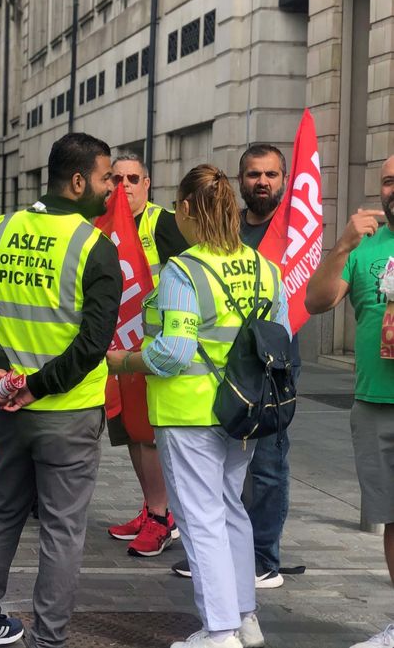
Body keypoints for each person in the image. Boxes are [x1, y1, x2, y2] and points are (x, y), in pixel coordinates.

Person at [108, 164, 290, 648]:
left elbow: (173, 352)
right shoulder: (265, 268)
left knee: (200, 518)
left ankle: (219, 630)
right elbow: (281, 337)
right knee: (231, 510)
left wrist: (124, 361)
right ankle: (245, 619)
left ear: (187, 208)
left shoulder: (183, 270)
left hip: (189, 413)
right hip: (245, 411)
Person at [0, 132, 122, 648]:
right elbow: (93, 344)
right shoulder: (95, 248)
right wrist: (38, 386)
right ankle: (48, 640)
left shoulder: (0, 232)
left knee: (3, 512)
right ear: (78, 181)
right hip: (69, 411)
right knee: (63, 529)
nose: (113, 187)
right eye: (106, 178)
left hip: (9, 407)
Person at [170, 144, 302, 588]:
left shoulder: (294, 232)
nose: (262, 181)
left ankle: (255, 571)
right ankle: (239, 595)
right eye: (253, 174)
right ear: (237, 184)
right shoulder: (244, 243)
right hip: (228, 387)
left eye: (271, 174)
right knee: (228, 497)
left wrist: (128, 361)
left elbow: (172, 351)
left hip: (249, 381)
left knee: (249, 482)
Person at [306, 153, 394, 648]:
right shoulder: (363, 248)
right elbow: (316, 301)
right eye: (389, 181)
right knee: (392, 520)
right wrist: (341, 244)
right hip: (375, 403)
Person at [106, 153, 187, 557]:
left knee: (149, 436)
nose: (124, 186)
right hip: (118, 347)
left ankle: (162, 516)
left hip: (153, 348)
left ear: (147, 183)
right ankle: (151, 506)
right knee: (132, 434)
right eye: (117, 178)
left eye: (132, 178)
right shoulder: (103, 224)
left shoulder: (164, 223)